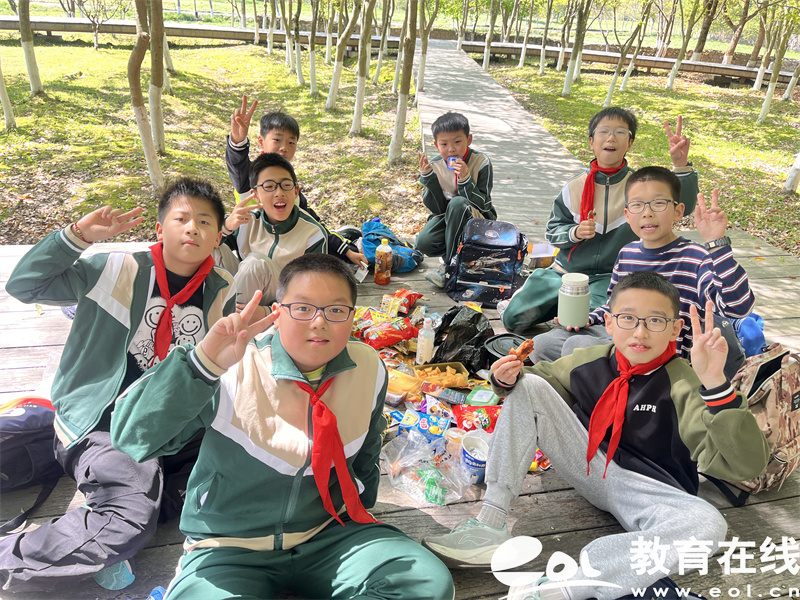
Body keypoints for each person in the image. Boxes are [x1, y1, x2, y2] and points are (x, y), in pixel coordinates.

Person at [110, 254, 455, 600]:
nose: (319, 322)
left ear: (353, 316)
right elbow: (132, 438)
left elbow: (367, 451)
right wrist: (201, 365)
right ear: (277, 313)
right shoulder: (233, 365)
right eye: (302, 308)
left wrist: (361, 513)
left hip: (329, 534)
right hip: (229, 546)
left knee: (426, 581)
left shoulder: (368, 366)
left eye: (336, 310)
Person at [422, 271, 769, 599]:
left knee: (709, 525)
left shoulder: (684, 383)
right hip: (590, 466)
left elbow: (745, 465)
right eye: (628, 318)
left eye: (655, 321)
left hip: (650, 494)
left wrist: (716, 385)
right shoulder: (591, 359)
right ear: (610, 322)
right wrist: (504, 378)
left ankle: (570, 585)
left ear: (675, 328)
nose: (640, 333)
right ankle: (489, 524)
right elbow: (533, 390)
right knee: (528, 385)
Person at [0, 178, 236, 593]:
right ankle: (16, 556)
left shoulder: (221, 290)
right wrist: (76, 236)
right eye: (181, 218)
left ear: (219, 236)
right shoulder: (115, 269)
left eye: (204, 221)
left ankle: (114, 523)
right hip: (103, 423)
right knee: (127, 520)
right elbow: (25, 285)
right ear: (160, 229)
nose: (192, 228)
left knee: (236, 474)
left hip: (169, 423)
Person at [530, 166, 753, 379]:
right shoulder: (627, 253)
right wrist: (588, 319)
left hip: (666, 355)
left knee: (578, 347)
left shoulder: (695, 257)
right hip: (625, 336)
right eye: (637, 205)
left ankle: (605, 389)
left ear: (678, 211)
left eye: (658, 203)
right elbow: (614, 307)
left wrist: (717, 244)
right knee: (542, 345)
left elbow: (737, 307)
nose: (647, 213)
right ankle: (599, 384)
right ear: (627, 215)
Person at [502, 109, 700, 333]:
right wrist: (575, 232)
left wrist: (681, 165)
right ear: (591, 142)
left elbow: (681, 207)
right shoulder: (574, 187)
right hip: (565, 273)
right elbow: (553, 232)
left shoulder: (638, 187)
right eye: (604, 131)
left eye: (620, 132)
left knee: (589, 326)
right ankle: (558, 305)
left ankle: (570, 311)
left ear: (630, 143)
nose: (611, 138)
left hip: (610, 277)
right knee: (513, 318)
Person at [225, 95, 366, 267]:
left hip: (284, 262)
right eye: (277, 140)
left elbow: (313, 223)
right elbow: (237, 163)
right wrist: (237, 141)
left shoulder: (290, 186)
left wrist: (347, 251)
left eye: (291, 142)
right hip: (250, 261)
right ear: (261, 141)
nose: (284, 147)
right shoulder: (249, 177)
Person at [222, 152, 329, 313]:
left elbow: (312, 293)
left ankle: (229, 320)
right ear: (255, 195)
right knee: (213, 248)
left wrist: (266, 312)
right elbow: (208, 243)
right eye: (269, 186)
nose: (279, 193)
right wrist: (226, 227)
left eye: (286, 185)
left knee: (255, 264)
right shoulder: (247, 221)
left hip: (283, 304)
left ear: (296, 191)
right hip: (244, 288)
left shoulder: (313, 234)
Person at [415, 111, 495, 287]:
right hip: (447, 219)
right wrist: (428, 179)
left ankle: (450, 266)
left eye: (457, 142)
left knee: (458, 203)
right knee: (423, 242)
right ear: (436, 145)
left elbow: (484, 205)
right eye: (444, 144)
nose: (451, 149)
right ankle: (462, 260)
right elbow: (437, 209)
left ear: (469, 139)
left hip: (478, 220)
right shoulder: (435, 165)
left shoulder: (481, 162)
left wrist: (466, 179)